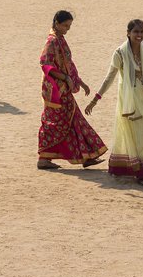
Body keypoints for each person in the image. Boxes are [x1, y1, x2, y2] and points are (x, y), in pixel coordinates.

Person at [85, 19, 143, 184]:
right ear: (128, 33)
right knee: (140, 132)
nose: (139, 35)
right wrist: (95, 99)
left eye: (142, 32)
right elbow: (109, 78)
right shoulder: (120, 53)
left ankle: (138, 169)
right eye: (136, 32)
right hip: (128, 100)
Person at [38, 10, 107, 170]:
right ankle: (44, 158)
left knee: (74, 120)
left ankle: (86, 156)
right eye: (65, 26)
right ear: (56, 23)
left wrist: (80, 82)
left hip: (65, 89)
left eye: (69, 26)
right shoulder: (52, 41)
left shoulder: (60, 40)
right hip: (56, 92)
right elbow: (45, 64)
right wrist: (64, 78)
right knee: (56, 123)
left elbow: (69, 64)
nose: (67, 29)